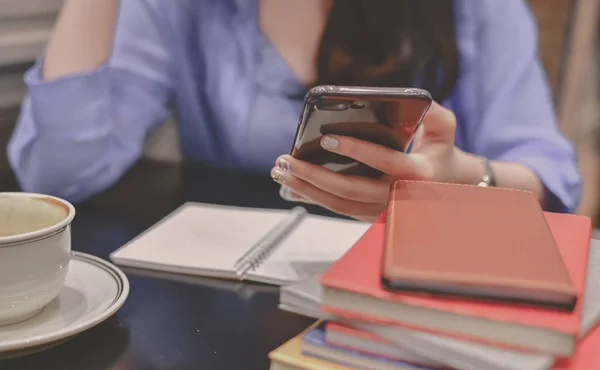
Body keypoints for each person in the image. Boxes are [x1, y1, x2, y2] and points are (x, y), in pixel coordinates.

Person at [8, 0, 581, 222]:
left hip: (419, 290)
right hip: (230, 304)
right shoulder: (181, 9)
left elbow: (549, 179)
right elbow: (57, 175)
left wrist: (462, 179)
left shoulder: (474, 9)